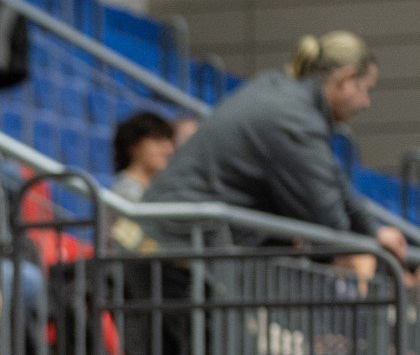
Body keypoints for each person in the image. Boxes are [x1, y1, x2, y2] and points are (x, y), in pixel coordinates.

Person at [143, 31, 408, 266]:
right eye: (366, 89)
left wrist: (372, 232)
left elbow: (332, 181)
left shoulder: (281, 92)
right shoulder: (293, 118)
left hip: (175, 238)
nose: (366, 102)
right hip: (176, 247)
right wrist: (368, 244)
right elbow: (327, 221)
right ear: (347, 79)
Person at [110, 109, 176, 203]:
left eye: (170, 142)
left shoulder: (165, 186)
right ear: (134, 145)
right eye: (158, 141)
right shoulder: (125, 191)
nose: (169, 150)